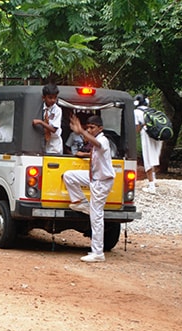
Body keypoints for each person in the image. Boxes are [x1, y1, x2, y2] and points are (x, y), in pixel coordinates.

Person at [63, 115, 115, 262]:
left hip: (102, 182)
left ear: (100, 128)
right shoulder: (94, 140)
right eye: (88, 127)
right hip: (94, 178)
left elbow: (97, 144)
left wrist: (81, 131)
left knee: (96, 217)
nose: (89, 130)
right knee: (69, 176)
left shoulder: (103, 140)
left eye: (92, 128)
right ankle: (80, 202)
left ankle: (98, 252)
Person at [134, 94, 163, 194]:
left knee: (148, 159)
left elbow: (137, 129)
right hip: (158, 137)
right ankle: (154, 180)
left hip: (147, 136)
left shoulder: (137, 112)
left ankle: (151, 186)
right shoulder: (152, 111)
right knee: (153, 158)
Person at [32, 83, 63, 154]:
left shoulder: (57, 110)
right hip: (42, 143)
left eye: (55, 98)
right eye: (50, 97)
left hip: (54, 145)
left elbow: (54, 129)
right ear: (43, 98)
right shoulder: (39, 108)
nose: (53, 100)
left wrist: (41, 122)